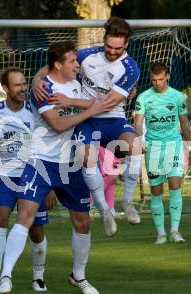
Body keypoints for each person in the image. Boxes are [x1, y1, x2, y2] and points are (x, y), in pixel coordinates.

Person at [0, 41, 110, 294]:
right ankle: (5, 277)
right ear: (58, 64)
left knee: (83, 221)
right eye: (71, 61)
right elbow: (58, 124)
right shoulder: (43, 88)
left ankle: (79, 277)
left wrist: (90, 103)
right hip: (41, 161)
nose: (77, 64)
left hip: (70, 163)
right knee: (25, 218)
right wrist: (90, 108)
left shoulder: (77, 83)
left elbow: (99, 101)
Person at [33, 16, 142, 237]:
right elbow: (50, 67)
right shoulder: (87, 54)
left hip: (112, 119)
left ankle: (128, 201)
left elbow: (107, 104)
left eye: (117, 48)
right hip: (85, 120)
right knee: (87, 157)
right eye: (108, 46)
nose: (112, 51)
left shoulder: (130, 69)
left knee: (135, 147)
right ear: (104, 40)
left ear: (126, 44)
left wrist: (70, 101)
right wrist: (37, 80)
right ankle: (104, 210)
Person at [0, 67, 57, 293]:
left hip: (34, 178)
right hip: (5, 178)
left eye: (25, 83)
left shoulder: (35, 111)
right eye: (17, 85)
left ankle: (38, 277)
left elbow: (50, 147)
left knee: (36, 231)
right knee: (0, 220)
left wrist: (50, 185)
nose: (23, 88)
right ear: (5, 88)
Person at [134, 62, 191, 244]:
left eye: (160, 79)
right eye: (154, 80)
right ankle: (161, 233)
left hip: (173, 145)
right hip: (153, 148)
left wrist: (190, 146)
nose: (157, 83)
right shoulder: (144, 98)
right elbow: (138, 122)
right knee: (156, 191)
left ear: (167, 76)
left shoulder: (177, 97)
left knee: (176, 186)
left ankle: (175, 231)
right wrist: (140, 139)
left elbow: (184, 123)